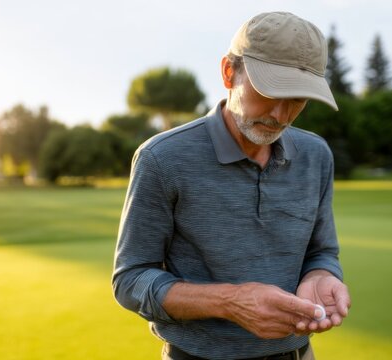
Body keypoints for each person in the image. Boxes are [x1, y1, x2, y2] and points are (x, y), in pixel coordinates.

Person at [112, 11, 351, 360]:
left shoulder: (316, 155)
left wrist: (322, 274)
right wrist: (231, 302)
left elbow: (322, 251)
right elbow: (130, 281)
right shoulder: (161, 158)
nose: (281, 115)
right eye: (270, 91)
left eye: (298, 99)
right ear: (228, 72)